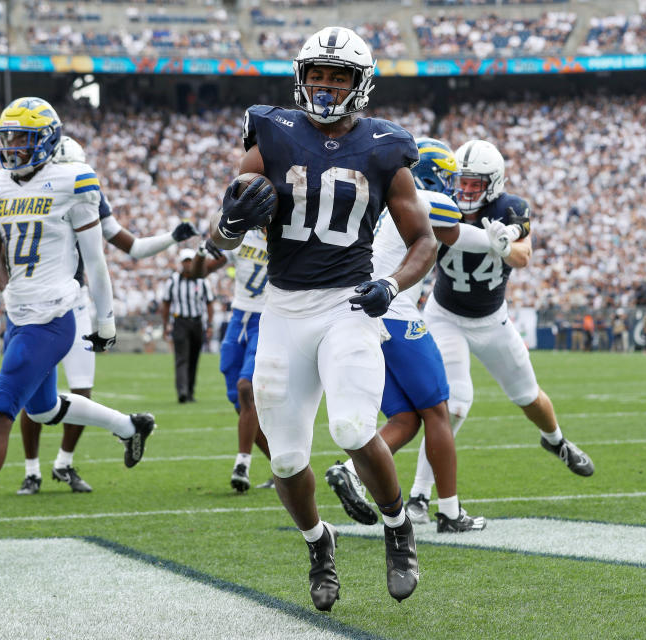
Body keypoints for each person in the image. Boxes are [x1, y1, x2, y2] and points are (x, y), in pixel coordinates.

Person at [209, 26, 436, 611]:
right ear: (301, 78)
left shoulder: (385, 145)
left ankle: (396, 527)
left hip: (348, 303)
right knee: (284, 456)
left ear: (361, 85)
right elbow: (228, 219)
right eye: (319, 75)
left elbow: (424, 242)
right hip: (282, 308)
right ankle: (319, 542)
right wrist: (231, 224)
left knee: (353, 428)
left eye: (339, 77)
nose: (327, 85)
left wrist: (390, 283)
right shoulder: (273, 131)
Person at [0, 97, 156, 555]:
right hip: (18, 314)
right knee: (41, 410)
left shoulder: (74, 180)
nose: (14, 147)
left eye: (23, 137)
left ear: (47, 140)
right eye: (9, 138)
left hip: (53, 317)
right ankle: (129, 426)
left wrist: (105, 322)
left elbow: (97, 262)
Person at [405, 139, 595, 524]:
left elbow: (523, 257)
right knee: (454, 404)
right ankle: (420, 496)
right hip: (446, 316)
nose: (465, 190)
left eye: (475, 184)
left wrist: (505, 245)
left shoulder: (511, 209)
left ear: (493, 184)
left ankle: (556, 441)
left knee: (530, 397)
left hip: (493, 321)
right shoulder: (442, 202)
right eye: (461, 181)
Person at [13, 136, 196, 496]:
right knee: (30, 389)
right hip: (36, 302)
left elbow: (133, 247)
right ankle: (31, 470)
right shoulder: (29, 194)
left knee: (82, 388)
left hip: (75, 300)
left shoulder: (85, 194)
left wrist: (172, 238)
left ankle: (63, 464)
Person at [324, 138, 485, 533]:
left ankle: (350, 472)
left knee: (405, 418)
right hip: (393, 310)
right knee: (438, 413)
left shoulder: (386, 200)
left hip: (364, 314)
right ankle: (449, 512)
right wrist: (502, 241)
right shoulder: (421, 196)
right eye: (446, 177)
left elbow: (449, 237)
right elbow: (452, 218)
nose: (451, 185)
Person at [191, 234, 273, 492]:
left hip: (267, 321)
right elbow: (198, 273)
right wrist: (203, 251)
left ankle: (242, 465)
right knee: (238, 401)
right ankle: (283, 466)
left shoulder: (287, 235)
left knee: (246, 388)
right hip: (238, 319)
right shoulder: (243, 236)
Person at [162, 248, 215, 403]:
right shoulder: (173, 280)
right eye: (185, 261)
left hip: (197, 322)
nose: (188, 264)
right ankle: (182, 392)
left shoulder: (203, 281)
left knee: (194, 358)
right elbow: (166, 303)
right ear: (181, 263)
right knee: (181, 358)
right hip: (180, 322)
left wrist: (209, 325)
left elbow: (210, 303)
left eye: (190, 261)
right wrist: (165, 324)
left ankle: (190, 391)